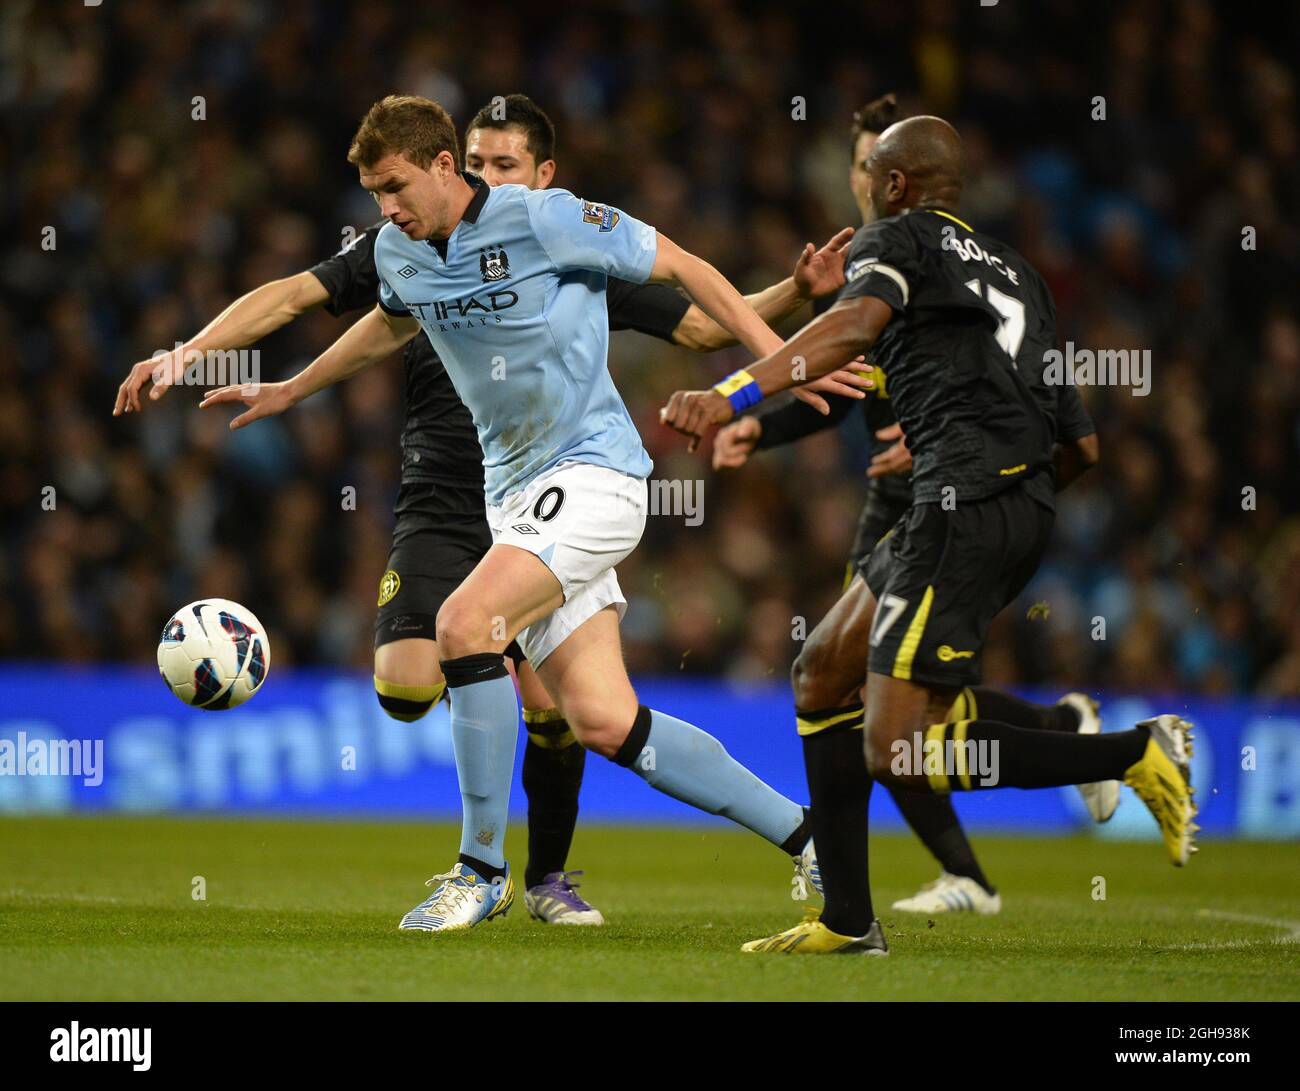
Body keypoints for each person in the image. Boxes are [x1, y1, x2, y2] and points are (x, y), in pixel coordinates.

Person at [114, 94, 859, 927]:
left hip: (595, 476)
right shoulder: (400, 249)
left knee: (466, 625)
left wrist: (780, 364)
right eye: (372, 196)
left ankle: (481, 869)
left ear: (443, 167)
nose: (384, 210)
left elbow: (687, 272)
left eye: (394, 187)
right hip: (517, 501)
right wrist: (286, 385)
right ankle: (815, 841)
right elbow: (370, 322)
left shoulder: (547, 221)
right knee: (607, 720)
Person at [661, 115, 1196, 956]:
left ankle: (1131, 750)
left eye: (870, 169)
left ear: (896, 184)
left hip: (962, 502)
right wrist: (990, 462)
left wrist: (731, 395)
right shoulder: (1018, 271)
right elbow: (1082, 444)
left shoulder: (897, 238)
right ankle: (848, 920)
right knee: (820, 674)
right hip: (994, 500)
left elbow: (849, 330)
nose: (862, 181)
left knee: (898, 750)